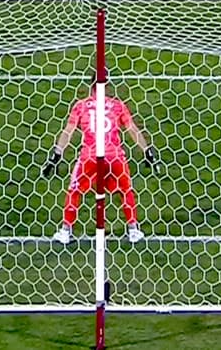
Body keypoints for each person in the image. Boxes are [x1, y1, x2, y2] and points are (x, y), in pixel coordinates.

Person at [41, 82, 158, 244]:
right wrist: (147, 151)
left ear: (92, 86)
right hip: (115, 156)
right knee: (126, 190)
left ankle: (65, 231)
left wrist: (56, 155)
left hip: (90, 156)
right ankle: (133, 230)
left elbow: (68, 131)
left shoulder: (81, 106)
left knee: (74, 190)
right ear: (107, 86)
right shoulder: (117, 106)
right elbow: (132, 129)